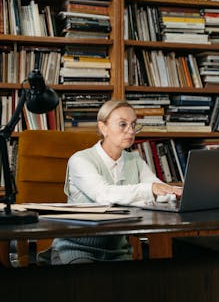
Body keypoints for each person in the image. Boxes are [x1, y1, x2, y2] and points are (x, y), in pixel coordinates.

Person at [43, 99, 182, 265]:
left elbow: (158, 191)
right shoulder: (80, 160)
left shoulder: (135, 160)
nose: (130, 131)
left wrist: (175, 193)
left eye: (133, 125)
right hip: (76, 248)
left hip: (117, 250)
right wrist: (151, 189)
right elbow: (104, 194)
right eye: (122, 124)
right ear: (103, 128)